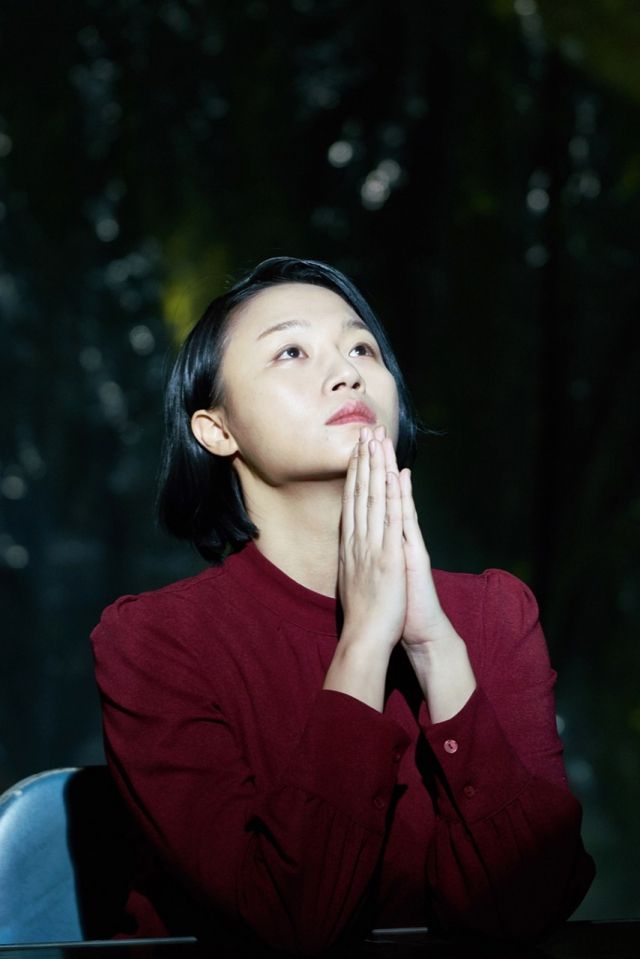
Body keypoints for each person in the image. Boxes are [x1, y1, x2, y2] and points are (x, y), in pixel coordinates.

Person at [91, 256, 594, 955]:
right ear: (216, 429)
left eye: (362, 349)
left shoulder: (495, 614)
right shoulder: (154, 640)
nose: (348, 374)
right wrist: (363, 642)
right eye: (291, 352)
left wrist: (434, 647)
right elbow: (285, 923)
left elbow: (530, 907)